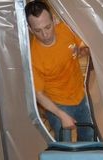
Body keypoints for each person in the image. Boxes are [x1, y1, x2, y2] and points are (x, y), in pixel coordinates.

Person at [25, 1, 94, 141]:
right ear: (30, 29)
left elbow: (84, 46)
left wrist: (82, 50)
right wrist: (61, 115)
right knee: (64, 145)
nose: (45, 35)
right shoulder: (32, 57)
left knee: (88, 137)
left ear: (54, 20)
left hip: (80, 95)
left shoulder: (66, 29)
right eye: (37, 30)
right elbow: (38, 94)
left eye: (48, 27)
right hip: (57, 104)